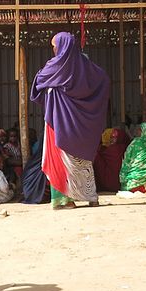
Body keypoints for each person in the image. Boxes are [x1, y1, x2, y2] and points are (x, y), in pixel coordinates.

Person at [30, 32, 110, 209]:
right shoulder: (87, 67)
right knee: (82, 161)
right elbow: (103, 79)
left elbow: (39, 82)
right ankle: (91, 197)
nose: (53, 49)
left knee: (60, 159)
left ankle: (65, 200)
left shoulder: (53, 67)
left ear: (62, 46)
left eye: (55, 45)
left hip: (58, 122)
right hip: (82, 127)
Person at [94, 128, 129, 192]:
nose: (113, 140)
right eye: (111, 137)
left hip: (104, 186)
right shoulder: (126, 148)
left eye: (115, 137)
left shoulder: (101, 150)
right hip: (120, 185)